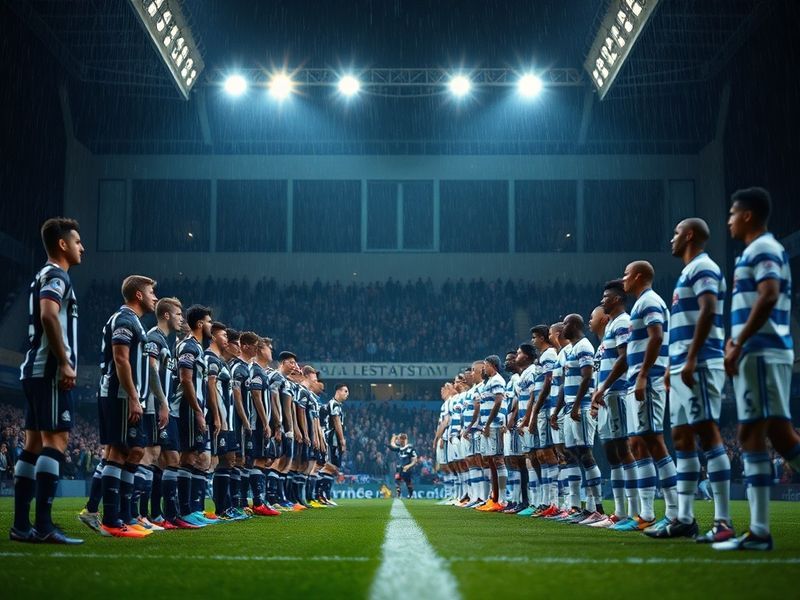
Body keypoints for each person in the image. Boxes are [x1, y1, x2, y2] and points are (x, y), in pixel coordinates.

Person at [715, 188, 799, 551]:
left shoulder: (763, 248)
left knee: (752, 433)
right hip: (762, 351)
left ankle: (760, 531)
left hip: (762, 351)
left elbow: (768, 294)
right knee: (779, 435)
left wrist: (738, 341)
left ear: (747, 215)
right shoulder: (755, 250)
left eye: (732, 214)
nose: (729, 220)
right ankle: (759, 530)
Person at [649, 218, 732, 540]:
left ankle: (723, 522)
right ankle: (684, 518)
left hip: (700, 362)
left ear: (690, 235)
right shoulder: (688, 271)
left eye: (676, 233)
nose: (672, 239)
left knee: (707, 432)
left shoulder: (703, 267)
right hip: (683, 365)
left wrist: (693, 356)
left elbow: (709, 309)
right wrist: (672, 364)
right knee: (682, 438)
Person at [12, 217, 84, 544]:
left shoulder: (42, 274)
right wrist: (66, 363)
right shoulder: (56, 275)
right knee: (55, 443)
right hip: (49, 370)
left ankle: (21, 526)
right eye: (77, 241)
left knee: (33, 446)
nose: (82, 247)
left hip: (33, 370)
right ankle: (43, 526)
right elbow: (48, 314)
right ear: (62, 244)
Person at [97, 275, 157, 537]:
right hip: (120, 394)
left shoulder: (135, 322)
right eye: (152, 292)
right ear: (139, 295)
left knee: (133, 451)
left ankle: (125, 515)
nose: (155, 297)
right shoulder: (124, 319)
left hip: (130, 396)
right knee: (120, 452)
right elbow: (121, 360)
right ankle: (111, 520)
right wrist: (133, 396)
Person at [620, 261, 678, 533]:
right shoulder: (640, 304)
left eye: (627, 275)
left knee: (654, 441)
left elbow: (657, 336)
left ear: (639, 276)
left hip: (648, 380)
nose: (624, 280)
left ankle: (675, 512)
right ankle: (645, 514)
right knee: (639, 443)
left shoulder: (650, 301)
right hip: (639, 381)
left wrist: (644, 374)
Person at [590, 281, 637, 529]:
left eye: (606, 297)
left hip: (617, 393)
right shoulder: (606, 336)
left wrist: (604, 387)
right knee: (613, 453)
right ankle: (619, 512)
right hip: (608, 397)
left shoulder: (620, 323)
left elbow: (625, 357)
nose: (603, 300)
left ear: (618, 299)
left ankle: (634, 512)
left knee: (623, 450)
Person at [174, 305, 215, 527]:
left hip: (196, 409)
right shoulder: (189, 346)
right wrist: (198, 411)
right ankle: (183, 510)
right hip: (188, 409)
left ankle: (188, 509)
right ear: (200, 324)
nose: (211, 325)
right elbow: (185, 379)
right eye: (209, 321)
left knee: (193, 457)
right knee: (187, 457)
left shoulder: (197, 348)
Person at [475, 355, 506, 512]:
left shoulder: (497, 380)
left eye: (485, 365)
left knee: (498, 460)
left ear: (493, 365)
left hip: (494, 425)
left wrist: (487, 424)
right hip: (487, 426)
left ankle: (502, 499)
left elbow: (499, 401)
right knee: (491, 461)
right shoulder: (489, 382)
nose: (483, 368)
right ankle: (494, 498)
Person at [319, 383, 349, 505]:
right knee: (330, 466)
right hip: (332, 440)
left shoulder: (337, 405)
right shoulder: (334, 404)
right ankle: (321, 494)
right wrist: (342, 440)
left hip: (334, 439)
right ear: (338, 391)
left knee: (333, 467)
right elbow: (336, 422)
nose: (347, 394)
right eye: (345, 391)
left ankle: (325, 495)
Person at [388, 433, 418, 498]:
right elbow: (392, 445)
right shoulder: (399, 448)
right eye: (400, 439)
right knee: (397, 480)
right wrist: (394, 437)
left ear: (404, 440)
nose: (400, 441)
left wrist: (409, 466)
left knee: (408, 482)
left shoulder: (410, 448)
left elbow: (415, 460)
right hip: (400, 467)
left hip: (407, 468)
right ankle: (398, 493)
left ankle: (410, 494)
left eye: (401, 439)